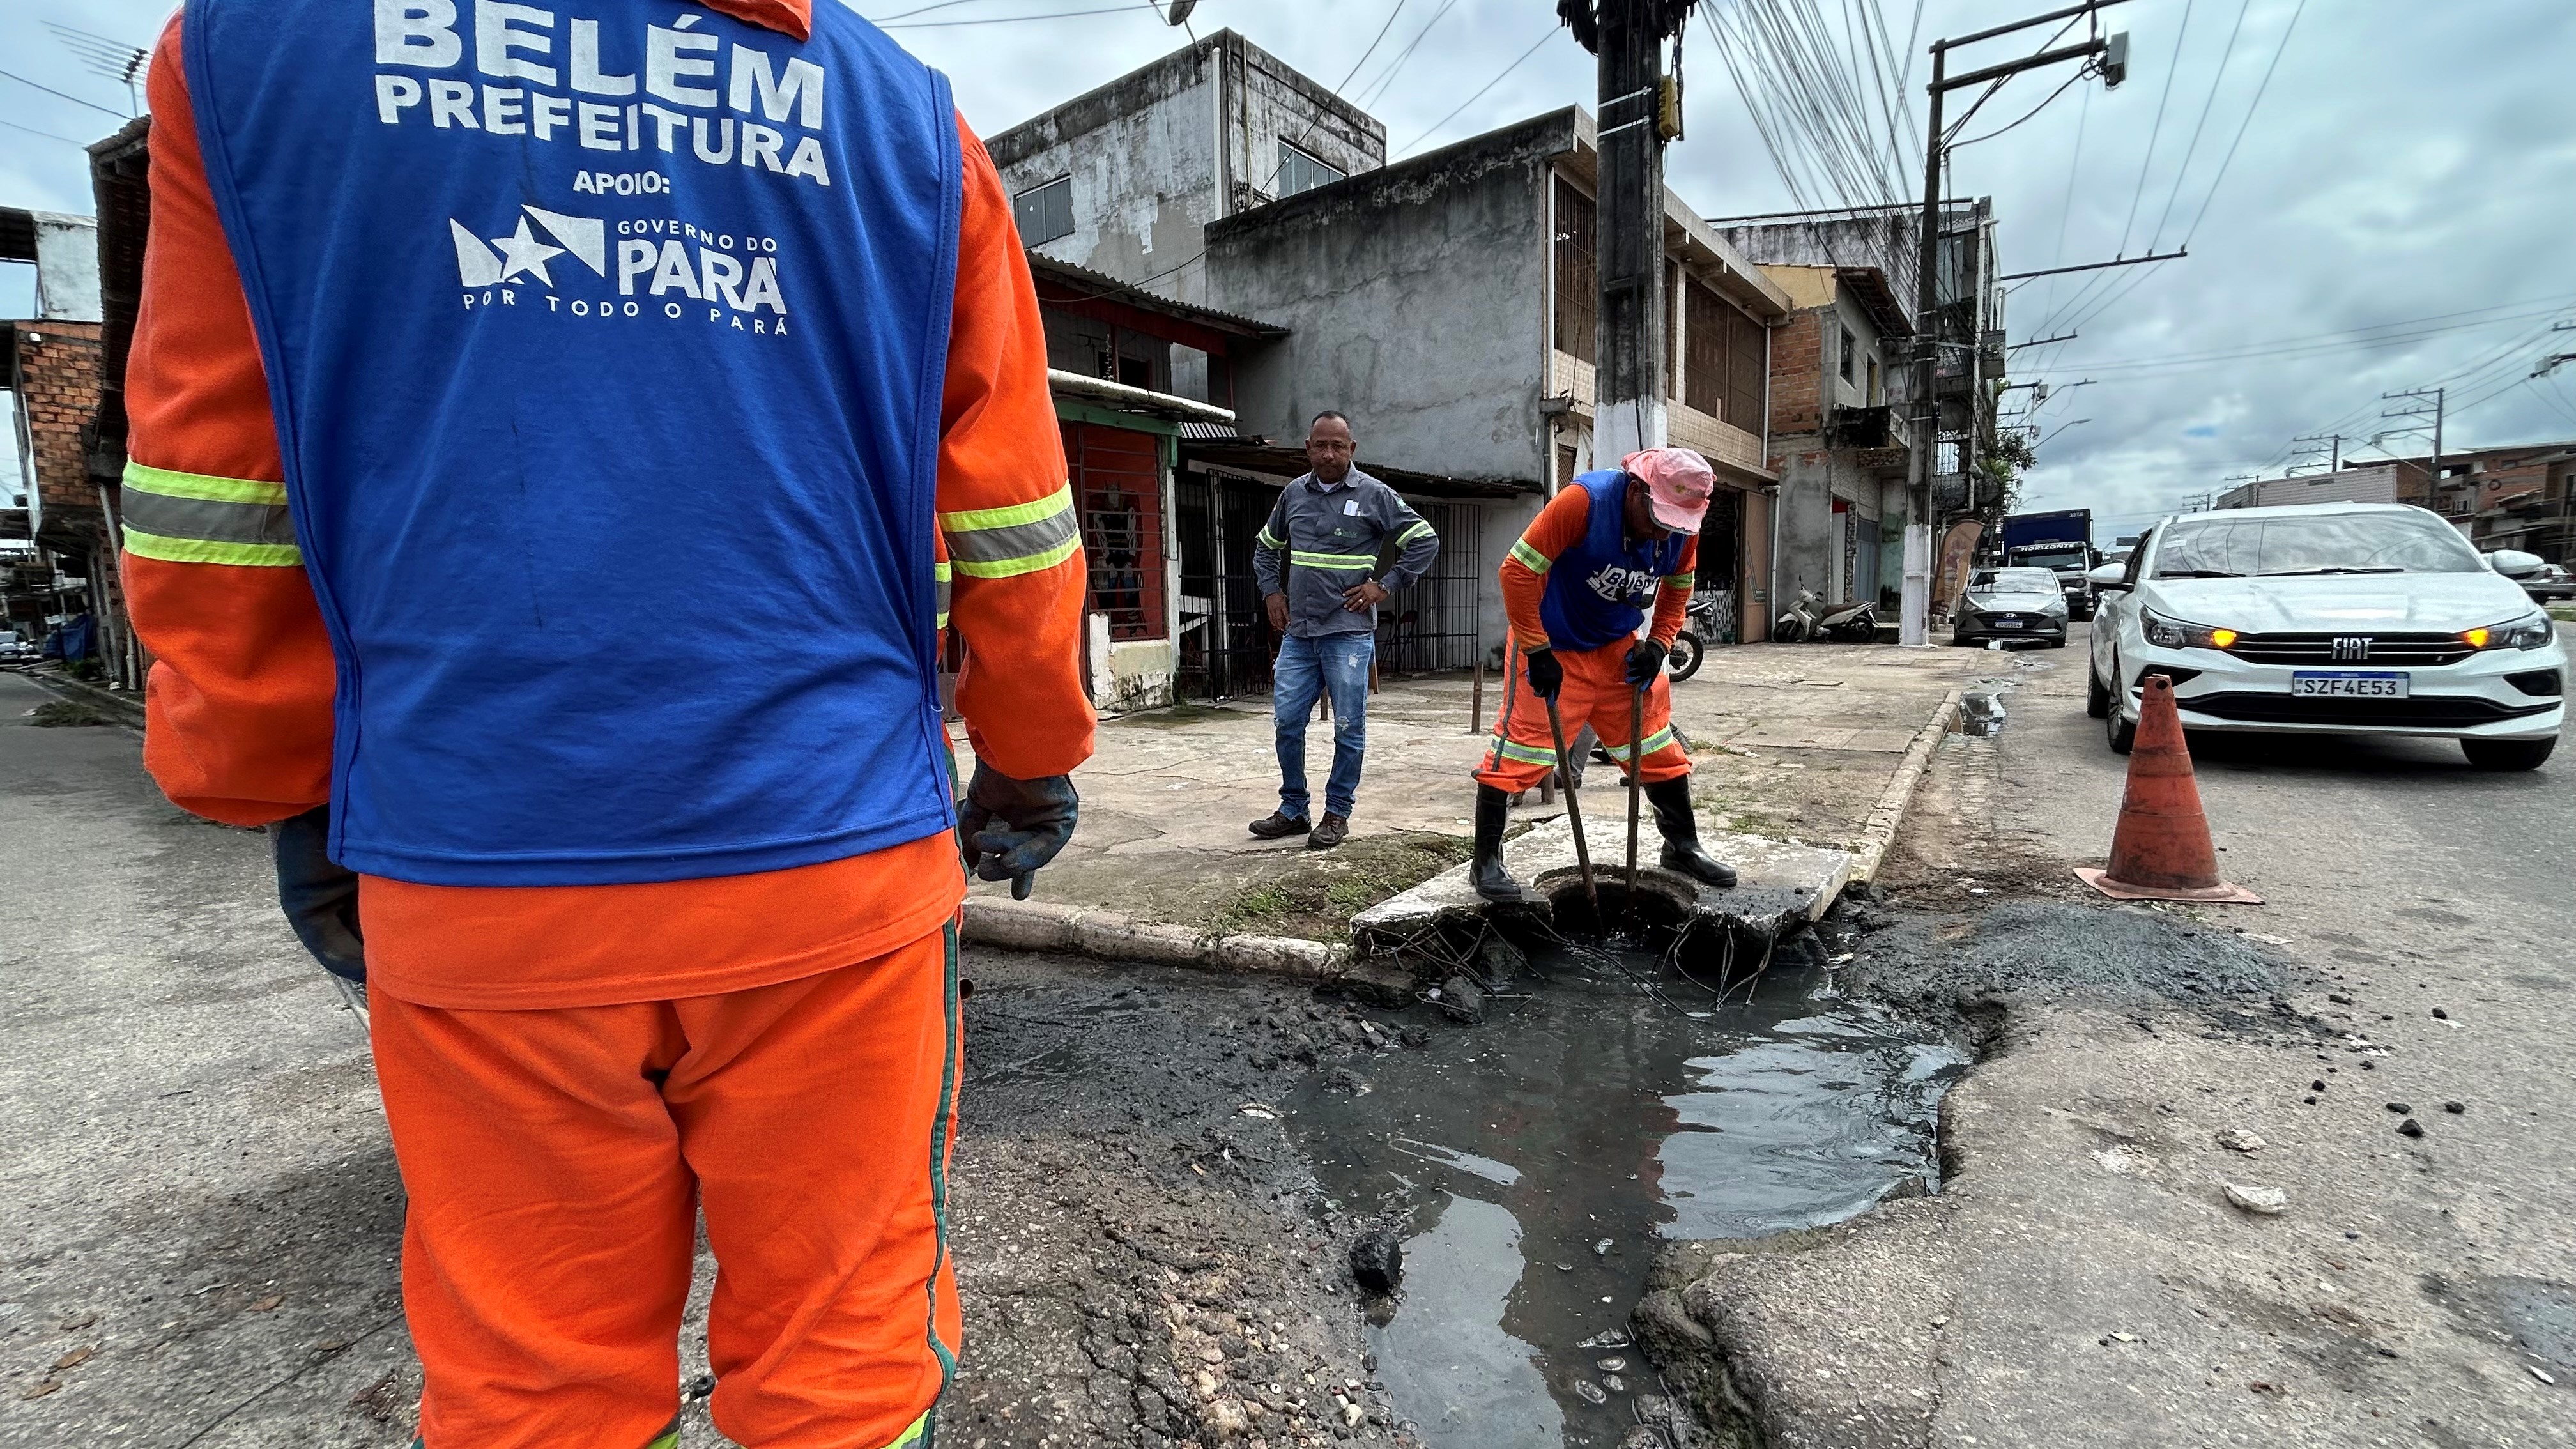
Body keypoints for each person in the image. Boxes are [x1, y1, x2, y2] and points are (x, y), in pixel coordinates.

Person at [118, 3, 1091, 1445]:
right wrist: (1028, 750)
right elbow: (1014, 511)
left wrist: (279, 778)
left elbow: (214, 476)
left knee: (534, 1387)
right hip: (835, 864)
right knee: (847, 1359)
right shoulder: (910, 121)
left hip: (473, 855)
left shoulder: (253, 54)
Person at [1471, 448, 1736, 901]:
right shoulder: (1585, 502)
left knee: (1654, 746)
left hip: (1617, 647)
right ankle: (1486, 863)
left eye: (1674, 525)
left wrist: (1659, 645)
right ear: (1637, 490)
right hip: (1552, 643)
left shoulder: (1681, 525)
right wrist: (1536, 650)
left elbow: (1677, 589)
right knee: (1521, 751)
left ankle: (1682, 846)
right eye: (1657, 519)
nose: (1662, 532)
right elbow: (1516, 572)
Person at [1247, 411, 1439, 850]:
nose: (1329, 454)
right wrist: (1272, 593)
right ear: (1308, 449)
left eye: (1338, 445)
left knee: (1348, 727)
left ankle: (1338, 812)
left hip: (1348, 633)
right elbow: (1265, 549)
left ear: (1352, 449)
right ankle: (1294, 808)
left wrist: (1384, 585)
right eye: (1321, 445)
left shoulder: (1375, 495)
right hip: (1300, 633)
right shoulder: (1294, 494)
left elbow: (1425, 540)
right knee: (1287, 723)